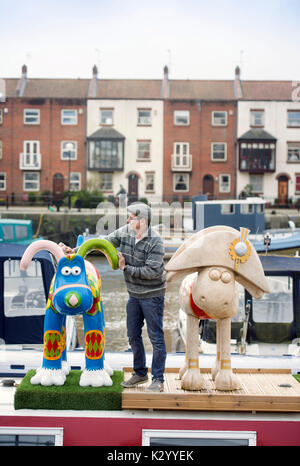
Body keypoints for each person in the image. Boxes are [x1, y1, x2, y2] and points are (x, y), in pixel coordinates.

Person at [60, 202, 167, 392]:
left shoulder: (155, 241)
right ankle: (140, 373)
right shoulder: (125, 231)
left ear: (142, 220)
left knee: (156, 338)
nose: (127, 220)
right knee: (133, 335)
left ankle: (158, 379)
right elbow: (103, 242)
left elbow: (152, 271)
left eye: (131, 217)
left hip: (152, 296)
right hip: (133, 295)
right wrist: (74, 251)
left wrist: (125, 267)